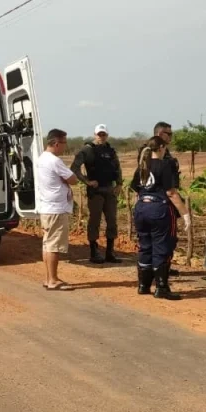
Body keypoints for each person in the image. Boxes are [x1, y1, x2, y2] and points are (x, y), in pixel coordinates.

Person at [132, 138, 190, 300]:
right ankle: (161, 288)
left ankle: (143, 285)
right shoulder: (164, 166)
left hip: (142, 209)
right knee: (162, 247)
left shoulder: (142, 166)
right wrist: (185, 214)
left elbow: (136, 191)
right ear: (162, 147)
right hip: (159, 210)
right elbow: (171, 193)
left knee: (145, 246)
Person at [137, 122, 186, 275]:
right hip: (161, 202)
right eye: (168, 134)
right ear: (159, 134)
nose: (171, 137)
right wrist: (185, 214)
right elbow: (169, 190)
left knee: (153, 242)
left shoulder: (159, 154)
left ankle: (151, 277)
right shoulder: (152, 155)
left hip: (147, 205)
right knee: (162, 241)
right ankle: (160, 277)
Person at [70, 124, 123, 264]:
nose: (101, 137)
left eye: (104, 134)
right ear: (95, 134)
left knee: (112, 221)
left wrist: (119, 184)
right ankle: (94, 252)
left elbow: (117, 168)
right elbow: (74, 168)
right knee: (94, 221)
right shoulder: (87, 150)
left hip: (110, 190)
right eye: (99, 134)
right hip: (96, 192)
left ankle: (110, 252)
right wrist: (87, 181)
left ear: (107, 135)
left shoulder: (111, 151)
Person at [35, 128, 79, 291]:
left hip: (47, 206)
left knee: (47, 244)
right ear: (55, 143)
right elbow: (73, 179)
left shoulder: (42, 159)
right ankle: (52, 280)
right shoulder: (54, 161)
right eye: (63, 143)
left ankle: (49, 278)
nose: (65, 147)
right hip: (56, 209)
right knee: (54, 245)